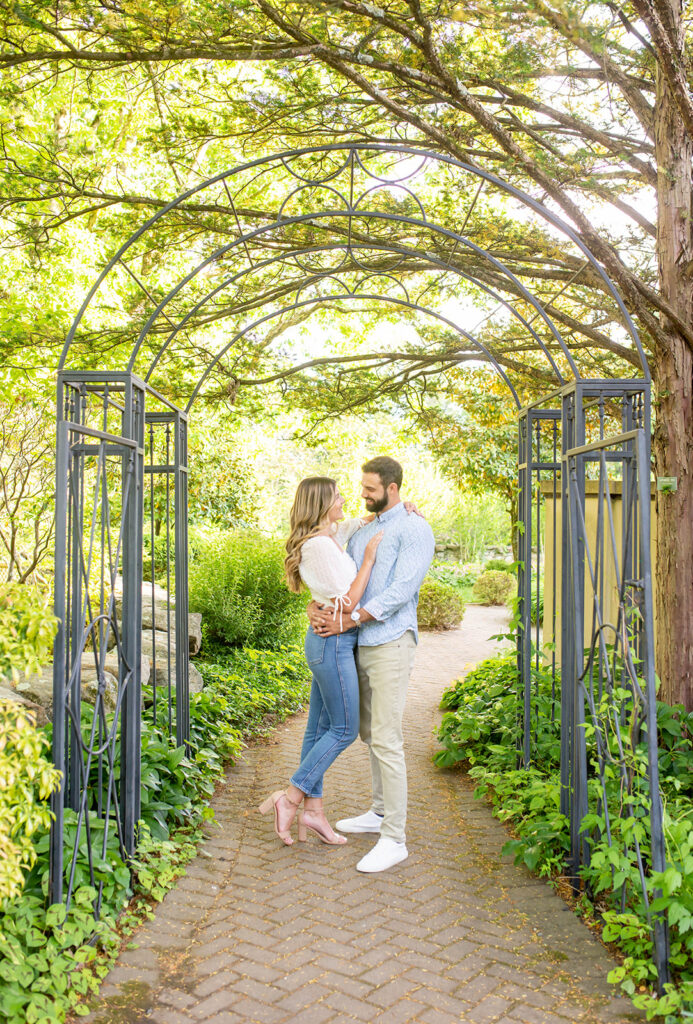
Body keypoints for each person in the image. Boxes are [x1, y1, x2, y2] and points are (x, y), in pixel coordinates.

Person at [309, 456, 435, 873]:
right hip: (357, 643)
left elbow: (401, 589)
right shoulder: (366, 529)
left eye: (370, 489)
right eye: (361, 487)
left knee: (386, 737)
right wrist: (319, 607)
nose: (362, 494)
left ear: (393, 489)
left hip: (391, 641)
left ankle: (394, 838)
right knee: (367, 733)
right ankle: (379, 812)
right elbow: (340, 581)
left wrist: (354, 617)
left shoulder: (414, 528)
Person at [259, 476, 384, 846]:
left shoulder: (327, 537)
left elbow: (355, 522)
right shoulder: (318, 547)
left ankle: (313, 813)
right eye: (337, 496)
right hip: (334, 644)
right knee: (344, 729)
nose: (346, 498)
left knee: (317, 732)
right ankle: (292, 796)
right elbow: (347, 600)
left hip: (328, 642)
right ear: (320, 504)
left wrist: (404, 506)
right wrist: (369, 560)